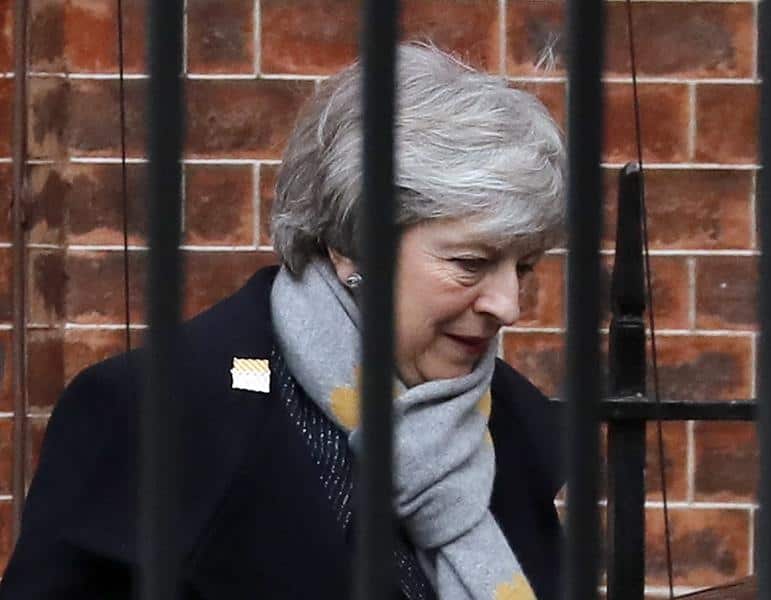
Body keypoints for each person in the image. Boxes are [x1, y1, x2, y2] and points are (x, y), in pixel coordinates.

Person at [0, 43, 566, 600]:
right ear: (350, 245)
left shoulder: (510, 427)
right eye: (471, 264)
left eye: (524, 267)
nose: (508, 305)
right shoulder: (159, 410)